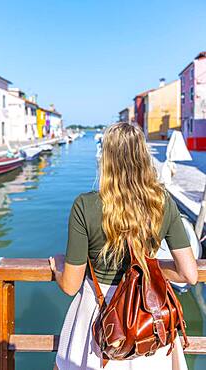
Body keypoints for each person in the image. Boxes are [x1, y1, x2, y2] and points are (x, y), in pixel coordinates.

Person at [49, 122, 198, 370]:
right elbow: (189, 274)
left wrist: (58, 266)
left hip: (99, 319)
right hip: (147, 319)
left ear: (105, 159)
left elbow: (70, 285)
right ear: (143, 156)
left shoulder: (85, 206)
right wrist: (148, 267)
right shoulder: (162, 201)